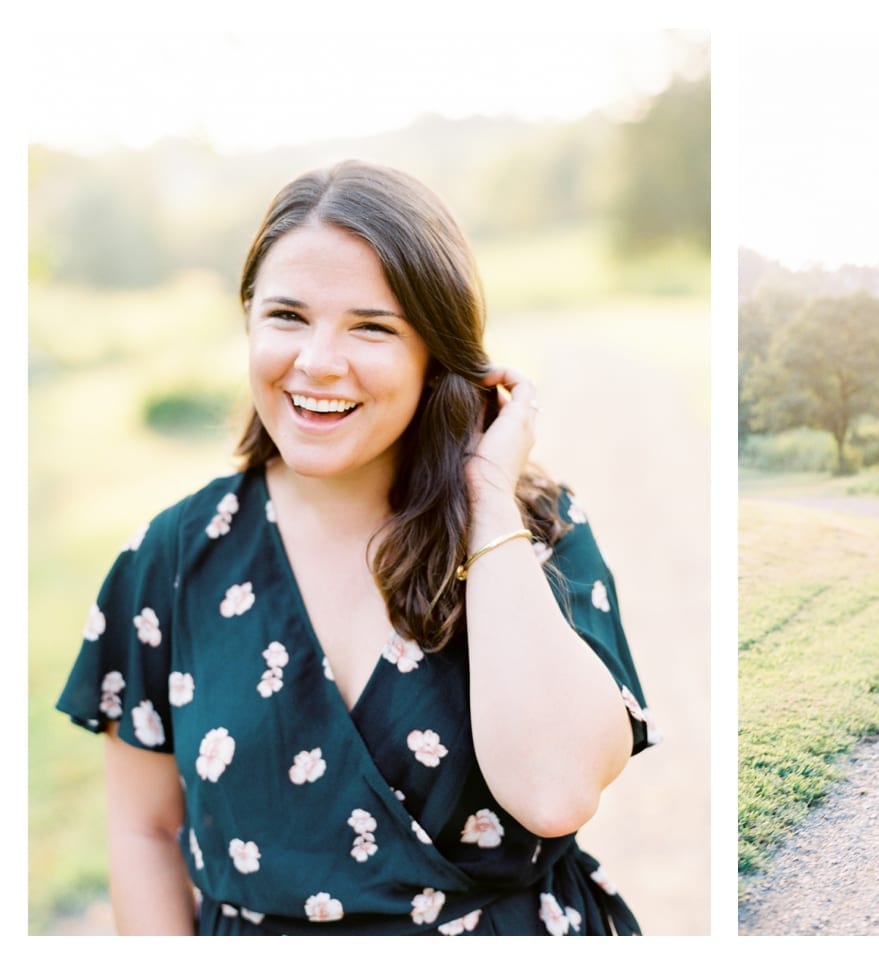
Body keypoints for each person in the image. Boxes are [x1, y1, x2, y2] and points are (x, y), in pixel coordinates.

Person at [56, 160, 656, 935]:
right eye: (287, 316)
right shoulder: (170, 559)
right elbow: (142, 832)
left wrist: (485, 500)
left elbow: (556, 793)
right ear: (249, 322)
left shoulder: (533, 531)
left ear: (435, 352)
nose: (317, 362)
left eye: (371, 326)